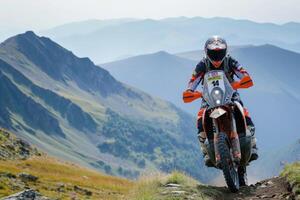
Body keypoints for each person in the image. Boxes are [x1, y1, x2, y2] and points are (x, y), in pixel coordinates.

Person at [185, 36, 258, 166]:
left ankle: (252, 144)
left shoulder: (231, 61)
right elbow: (193, 81)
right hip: (209, 97)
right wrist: (190, 91)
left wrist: (242, 81)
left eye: (220, 53)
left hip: (230, 95)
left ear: (225, 52)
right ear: (207, 52)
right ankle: (206, 152)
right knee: (200, 119)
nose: (217, 57)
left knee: (244, 113)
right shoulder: (202, 65)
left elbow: (244, 74)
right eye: (213, 53)